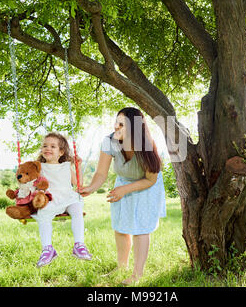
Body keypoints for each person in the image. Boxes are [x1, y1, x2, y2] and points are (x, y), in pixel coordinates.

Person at [79, 107, 166, 284]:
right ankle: (121, 267)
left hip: (145, 185)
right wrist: (91, 187)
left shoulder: (146, 147)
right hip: (123, 181)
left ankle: (137, 275)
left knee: (140, 229)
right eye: (116, 122)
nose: (116, 127)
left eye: (122, 124)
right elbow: (101, 173)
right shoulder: (109, 141)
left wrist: (124, 190)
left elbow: (150, 180)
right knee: (120, 228)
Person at [32, 132, 92, 267]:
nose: (48, 148)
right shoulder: (39, 167)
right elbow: (32, 183)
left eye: (53, 146)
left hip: (68, 198)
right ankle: (47, 249)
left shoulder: (66, 166)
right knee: (43, 215)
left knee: (77, 208)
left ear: (61, 152)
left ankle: (79, 245)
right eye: (45, 146)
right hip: (50, 199)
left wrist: (78, 166)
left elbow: (78, 183)